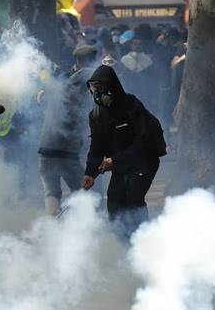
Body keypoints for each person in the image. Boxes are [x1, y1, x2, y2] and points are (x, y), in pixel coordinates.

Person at [81, 65, 167, 238]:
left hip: (144, 160)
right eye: (94, 88)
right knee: (114, 201)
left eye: (101, 88)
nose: (97, 93)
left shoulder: (131, 105)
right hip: (121, 164)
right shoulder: (96, 115)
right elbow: (96, 147)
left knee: (133, 196)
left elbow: (144, 140)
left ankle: (144, 238)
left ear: (112, 86)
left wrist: (115, 160)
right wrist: (90, 173)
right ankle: (122, 243)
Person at [38, 45, 100, 215]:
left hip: (46, 147)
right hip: (66, 149)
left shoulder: (61, 81)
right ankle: (83, 229)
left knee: (52, 193)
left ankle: (56, 229)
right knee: (84, 194)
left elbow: (43, 101)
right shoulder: (89, 82)